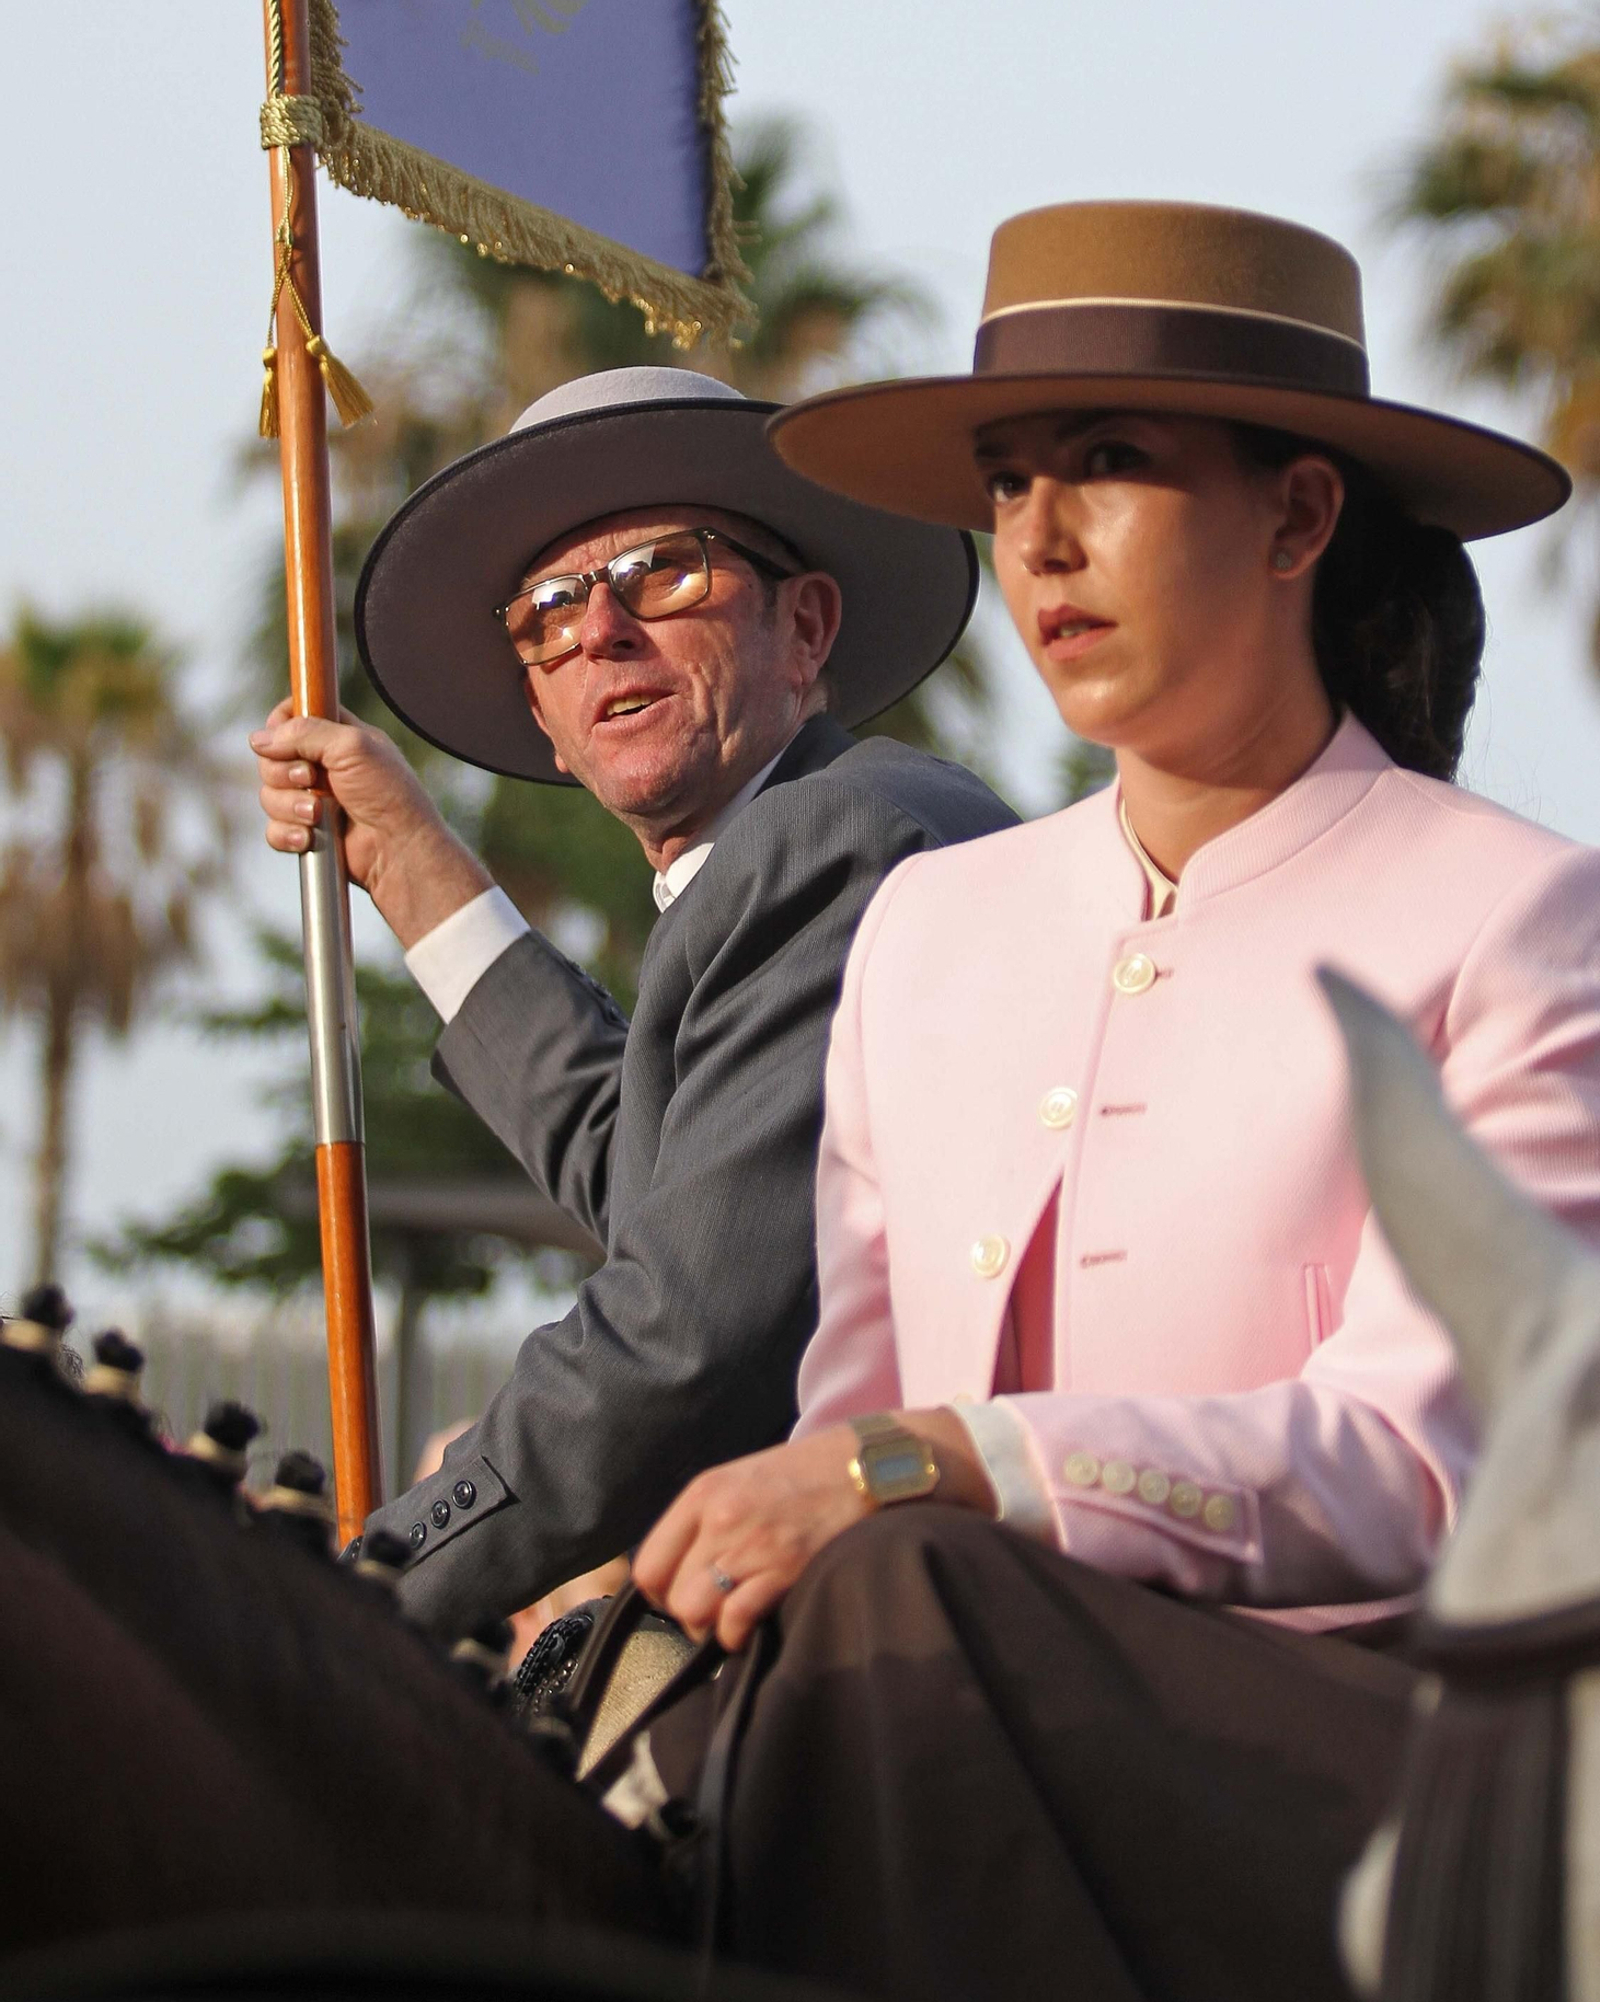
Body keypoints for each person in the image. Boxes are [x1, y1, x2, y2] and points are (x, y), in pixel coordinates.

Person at [628, 201, 1600, 2002]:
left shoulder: (1517, 915)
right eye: (1007, 482)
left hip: (1371, 1769)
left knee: (899, 1599)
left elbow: (1429, 1464)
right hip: (943, 1723)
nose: (1041, 539)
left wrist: (949, 1468)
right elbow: (845, 1420)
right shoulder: (930, 923)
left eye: (1111, 463)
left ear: (1299, 516)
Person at [251, 365, 1014, 1636]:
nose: (600, 630)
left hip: (926, 1619)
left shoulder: (835, 839)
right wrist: (399, 854)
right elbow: (660, 1179)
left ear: (807, 628)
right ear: (548, 725)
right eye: (547, 612)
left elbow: (684, 1338)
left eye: (666, 571)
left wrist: (351, 1597)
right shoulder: (789, 856)